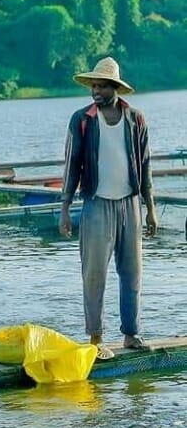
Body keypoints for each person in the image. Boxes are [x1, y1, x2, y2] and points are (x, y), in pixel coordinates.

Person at [59, 57, 158, 360]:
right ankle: (95, 338)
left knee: (132, 273)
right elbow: (71, 166)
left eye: (102, 86)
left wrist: (150, 208)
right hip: (96, 204)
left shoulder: (135, 119)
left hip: (130, 204)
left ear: (116, 88)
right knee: (94, 274)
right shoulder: (82, 120)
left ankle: (131, 334)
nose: (96, 91)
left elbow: (145, 166)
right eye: (93, 85)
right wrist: (65, 207)